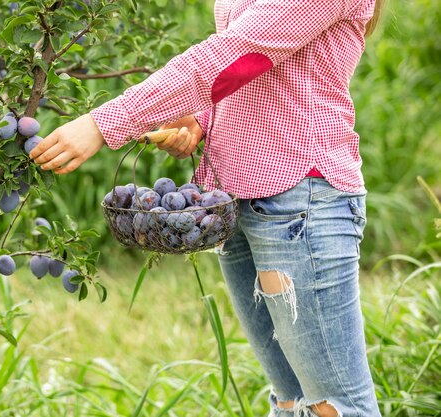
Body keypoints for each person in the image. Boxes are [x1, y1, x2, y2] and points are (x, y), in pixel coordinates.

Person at [30, 0, 384, 415]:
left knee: (336, 408)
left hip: (299, 202)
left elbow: (232, 51)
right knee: (289, 400)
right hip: (234, 202)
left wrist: (104, 123)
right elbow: (250, 70)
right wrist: (201, 120)